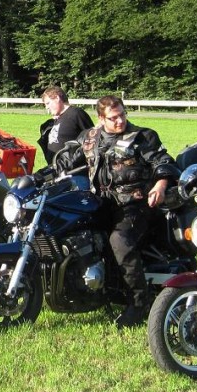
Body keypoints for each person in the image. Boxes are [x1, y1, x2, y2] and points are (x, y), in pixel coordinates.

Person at [59, 95, 178, 328]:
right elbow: (65, 158)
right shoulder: (89, 138)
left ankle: (138, 302)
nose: (120, 121)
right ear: (100, 119)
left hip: (137, 204)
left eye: (122, 115)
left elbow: (163, 162)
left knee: (119, 241)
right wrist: (40, 175)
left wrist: (161, 185)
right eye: (113, 118)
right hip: (100, 203)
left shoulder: (142, 137)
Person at [37, 86, 94, 165]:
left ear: (57, 98)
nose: (47, 107)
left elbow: (92, 137)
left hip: (72, 168)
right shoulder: (58, 118)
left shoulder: (76, 113)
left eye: (48, 103)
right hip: (56, 167)